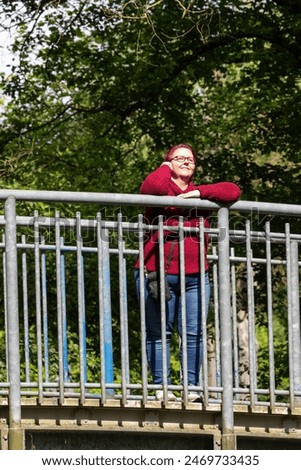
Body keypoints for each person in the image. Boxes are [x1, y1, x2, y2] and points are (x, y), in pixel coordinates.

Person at [134, 143, 241, 402]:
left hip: (195, 276)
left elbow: (233, 191)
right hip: (155, 274)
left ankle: (191, 387)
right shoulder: (162, 187)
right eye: (179, 158)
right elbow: (151, 187)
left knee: (193, 332)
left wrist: (198, 194)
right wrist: (164, 167)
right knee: (159, 332)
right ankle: (162, 386)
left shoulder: (201, 195)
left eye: (189, 159)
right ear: (168, 162)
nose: (185, 162)